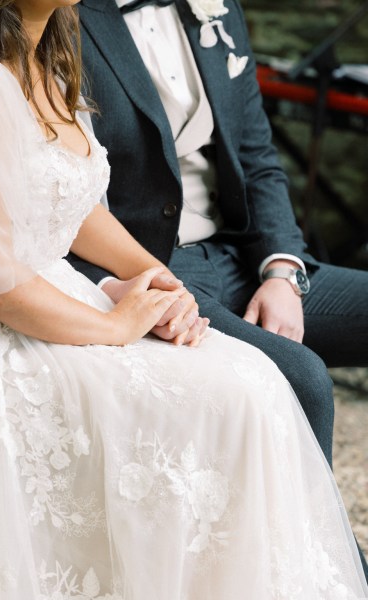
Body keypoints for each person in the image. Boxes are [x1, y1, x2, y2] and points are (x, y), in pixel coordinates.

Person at [0, 2, 367, 599]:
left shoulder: (51, 57)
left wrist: (189, 279)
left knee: (250, 382)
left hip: (210, 262)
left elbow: (80, 209)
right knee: (263, 389)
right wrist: (121, 312)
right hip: (38, 310)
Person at [73, 0, 368, 569]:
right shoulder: (62, 16)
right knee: (299, 376)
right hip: (150, 269)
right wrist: (130, 287)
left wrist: (281, 270)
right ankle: (336, 572)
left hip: (244, 254)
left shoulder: (216, 6)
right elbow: (74, 197)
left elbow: (257, 153)